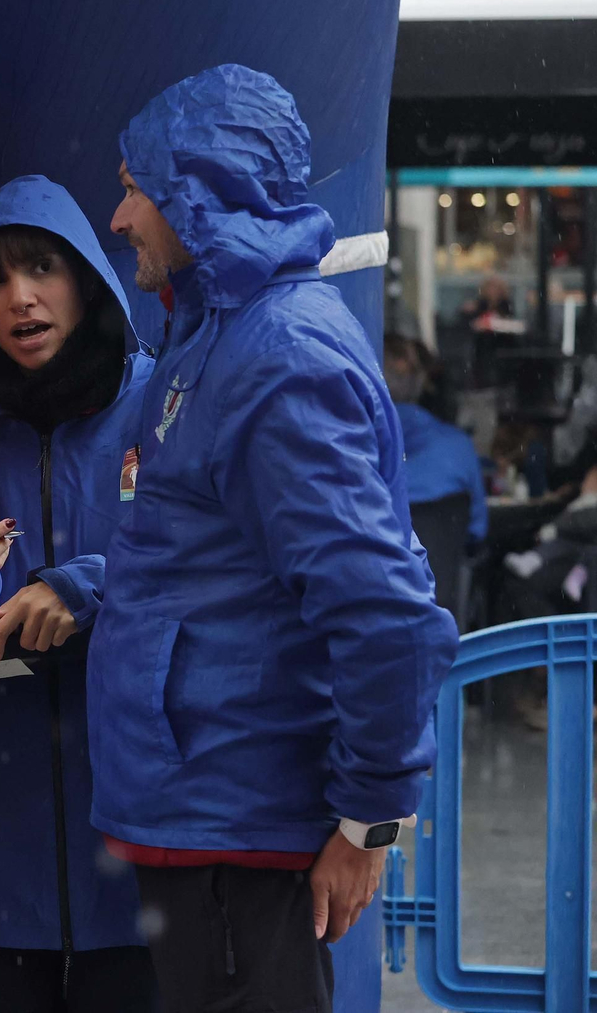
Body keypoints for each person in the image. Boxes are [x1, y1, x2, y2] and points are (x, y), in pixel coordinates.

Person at [89, 64, 458, 1012]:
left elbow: (381, 607)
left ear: (198, 191)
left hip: (239, 831)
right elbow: (201, 564)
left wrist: (370, 815)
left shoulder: (274, 358)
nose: (120, 218)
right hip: (211, 818)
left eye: (134, 188)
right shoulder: (219, 337)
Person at [0, 175, 156, 1013]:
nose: (20, 298)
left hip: (137, 822)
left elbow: (219, 561)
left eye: (41, 269)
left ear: (86, 276)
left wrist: (82, 587)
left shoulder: (159, 403)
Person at [385, 333, 488, 546]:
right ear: (421, 382)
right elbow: (477, 531)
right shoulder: (460, 447)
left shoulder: (355, 453)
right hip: (444, 576)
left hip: (378, 577)